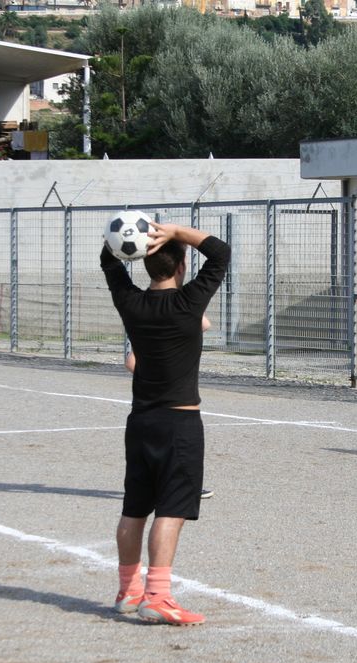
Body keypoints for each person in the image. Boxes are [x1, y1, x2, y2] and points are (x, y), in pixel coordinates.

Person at [100, 220, 231, 626]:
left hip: (140, 421)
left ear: (141, 261)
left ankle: (128, 591)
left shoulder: (131, 302)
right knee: (171, 511)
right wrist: (175, 231)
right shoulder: (190, 302)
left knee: (134, 508)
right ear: (181, 266)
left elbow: (109, 260)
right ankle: (157, 596)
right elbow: (221, 252)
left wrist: (130, 241)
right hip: (180, 424)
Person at [125, 315, 216, 501]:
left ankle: (177, 487)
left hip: (175, 398)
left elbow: (205, 324)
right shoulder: (153, 327)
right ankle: (173, 489)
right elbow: (131, 362)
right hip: (163, 399)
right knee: (172, 445)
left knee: (174, 446)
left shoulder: (181, 329)